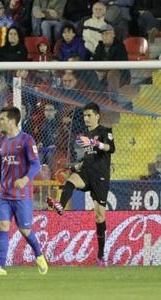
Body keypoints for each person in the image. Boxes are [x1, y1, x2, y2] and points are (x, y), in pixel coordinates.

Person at [47, 102, 115, 267]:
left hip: (100, 177)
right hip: (86, 173)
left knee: (99, 216)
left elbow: (110, 148)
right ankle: (61, 206)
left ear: (97, 116)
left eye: (89, 115)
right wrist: (76, 166)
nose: (86, 118)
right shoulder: (85, 134)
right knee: (70, 181)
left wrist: (94, 143)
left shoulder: (106, 131)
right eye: (84, 116)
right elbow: (89, 157)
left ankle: (101, 255)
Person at [0, 106, 48, 276]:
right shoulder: (0, 142)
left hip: (22, 195)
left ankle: (39, 255)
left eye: (2, 119)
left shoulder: (27, 140)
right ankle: (1, 267)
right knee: (3, 225)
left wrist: (25, 179)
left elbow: (36, 164)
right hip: (4, 195)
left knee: (25, 230)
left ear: (12, 120)